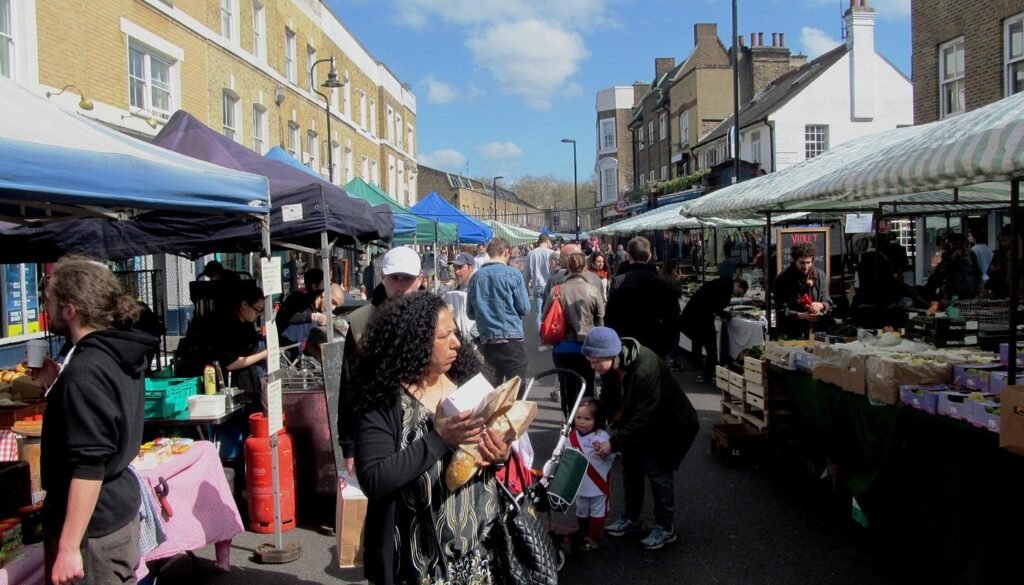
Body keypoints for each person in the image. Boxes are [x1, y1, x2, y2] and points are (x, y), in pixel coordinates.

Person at [352, 292, 511, 585]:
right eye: (444, 336)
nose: (457, 343)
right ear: (415, 341)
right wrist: (439, 439)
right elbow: (374, 478)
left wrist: (500, 455)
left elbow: (485, 459)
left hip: (478, 551)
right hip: (417, 560)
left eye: (455, 332)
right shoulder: (386, 401)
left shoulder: (467, 383)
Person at [30, 256, 159, 585]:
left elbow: (90, 464)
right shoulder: (114, 352)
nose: (46, 308)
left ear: (70, 309)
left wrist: (69, 546)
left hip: (95, 528)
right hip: (115, 512)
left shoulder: (87, 370)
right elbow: (105, 414)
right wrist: (58, 379)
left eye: (50, 301)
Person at [582, 327, 699, 551]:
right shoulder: (611, 366)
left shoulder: (645, 368)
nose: (592, 367)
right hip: (641, 420)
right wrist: (601, 429)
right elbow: (609, 400)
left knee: (658, 471)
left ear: (611, 355)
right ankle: (632, 519)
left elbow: (645, 416)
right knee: (631, 466)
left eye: (596, 361)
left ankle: (665, 528)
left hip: (669, 424)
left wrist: (613, 442)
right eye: (590, 361)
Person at [541, 252, 604, 419]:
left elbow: (544, 315)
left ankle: (568, 423)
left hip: (562, 347)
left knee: (566, 387)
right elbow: (600, 320)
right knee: (587, 387)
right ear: (584, 268)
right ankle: (586, 423)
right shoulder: (593, 290)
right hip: (586, 347)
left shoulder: (557, 290)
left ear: (568, 268)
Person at [466, 238, 531, 385]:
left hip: (487, 341)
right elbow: (525, 308)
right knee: (514, 390)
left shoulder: (475, 277)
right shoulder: (513, 274)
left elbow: (470, 313)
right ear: (506, 252)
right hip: (511, 339)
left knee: (493, 391)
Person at [605, 236, 681, 359]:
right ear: (650, 255)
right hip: (654, 346)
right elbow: (672, 319)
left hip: (626, 346)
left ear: (628, 256)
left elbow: (610, 318)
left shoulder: (619, 282)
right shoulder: (661, 284)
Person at [347, 246, 424, 343]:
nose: (400, 286)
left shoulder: (438, 316)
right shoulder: (359, 320)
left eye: (407, 278)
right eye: (394, 278)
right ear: (383, 278)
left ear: (420, 279)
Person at [680, 278, 748, 383]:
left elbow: (714, 304)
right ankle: (709, 372)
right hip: (701, 316)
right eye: (739, 293)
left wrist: (725, 313)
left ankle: (702, 371)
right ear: (738, 286)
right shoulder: (725, 288)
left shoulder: (723, 284)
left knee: (699, 344)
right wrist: (728, 314)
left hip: (696, 315)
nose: (736, 295)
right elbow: (716, 306)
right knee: (709, 345)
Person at [569, 397, 612, 552]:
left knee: (597, 513)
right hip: (580, 484)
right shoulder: (571, 436)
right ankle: (583, 533)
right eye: (578, 417)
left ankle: (593, 539)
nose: (581, 422)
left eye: (587, 419)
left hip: (598, 484)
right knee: (581, 511)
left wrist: (604, 451)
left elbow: (612, 456)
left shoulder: (603, 437)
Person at [212, 282, 268, 396]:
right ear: (244, 304)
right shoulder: (228, 326)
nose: (258, 314)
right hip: (238, 387)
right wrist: (264, 354)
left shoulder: (247, 323)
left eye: (261, 311)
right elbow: (231, 363)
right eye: (257, 309)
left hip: (252, 383)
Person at [773, 242, 832, 339]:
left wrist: (820, 305)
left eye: (808, 262)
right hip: (792, 331)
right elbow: (780, 309)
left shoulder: (820, 275)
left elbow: (827, 300)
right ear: (794, 260)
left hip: (818, 330)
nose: (805, 267)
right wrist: (801, 315)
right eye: (802, 263)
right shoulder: (782, 279)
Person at [276, 268, 329, 352]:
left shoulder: (314, 303)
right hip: (287, 349)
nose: (326, 288)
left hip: (304, 351)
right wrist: (314, 317)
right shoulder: (296, 297)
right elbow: (288, 316)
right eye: (324, 284)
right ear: (314, 286)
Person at [441, 252, 478, 347]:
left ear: (471, 268)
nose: (457, 271)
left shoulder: (479, 289)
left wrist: (470, 336)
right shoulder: (457, 289)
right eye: (455, 268)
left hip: (477, 344)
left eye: (460, 267)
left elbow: (484, 315)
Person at [525, 234, 558, 341]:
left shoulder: (531, 253)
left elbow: (526, 274)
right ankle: (551, 334)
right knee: (551, 311)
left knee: (539, 313)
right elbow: (555, 271)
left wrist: (526, 289)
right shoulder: (551, 253)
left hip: (537, 286)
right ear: (547, 241)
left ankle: (541, 339)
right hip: (550, 285)